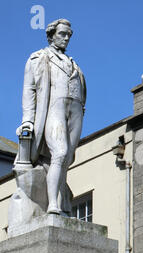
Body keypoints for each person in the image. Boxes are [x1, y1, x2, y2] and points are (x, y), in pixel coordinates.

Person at [16, 19, 86, 215]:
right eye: (62, 34)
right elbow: (29, 91)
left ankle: (63, 204)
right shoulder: (38, 58)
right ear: (51, 35)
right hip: (53, 108)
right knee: (60, 152)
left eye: (68, 35)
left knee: (67, 159)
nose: (66, 38)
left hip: (75, 112)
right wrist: (27, 120)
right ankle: (52, 205)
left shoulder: (74, 64)